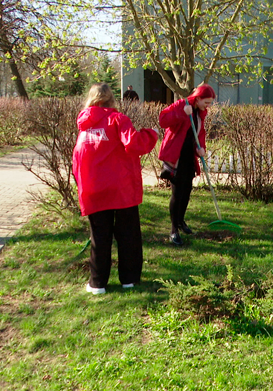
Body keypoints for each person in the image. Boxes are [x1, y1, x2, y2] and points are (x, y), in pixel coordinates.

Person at [72, 83, 158, 295]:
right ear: (111, 99)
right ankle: (129, 279)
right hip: (121, 189)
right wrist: (151, 134)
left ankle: (97, 283)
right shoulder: (117, 119)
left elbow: (77, 160)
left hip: (94, 190)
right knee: (128, 234)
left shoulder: (84, 126)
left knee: (99, 237)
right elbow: (135, 144)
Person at [158, 83, 216, 245]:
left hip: (189, 156)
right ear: (197, 98)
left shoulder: (200, 113)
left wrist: (201, 148)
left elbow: (200, 132)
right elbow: (163, 120)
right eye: (206, 102)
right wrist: (182, 114)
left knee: (187, 190)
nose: (208, 106)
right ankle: (173, 230)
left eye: (210, 103)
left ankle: (180, 221)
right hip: (176, 156)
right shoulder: (181, 106)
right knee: (177, 193)